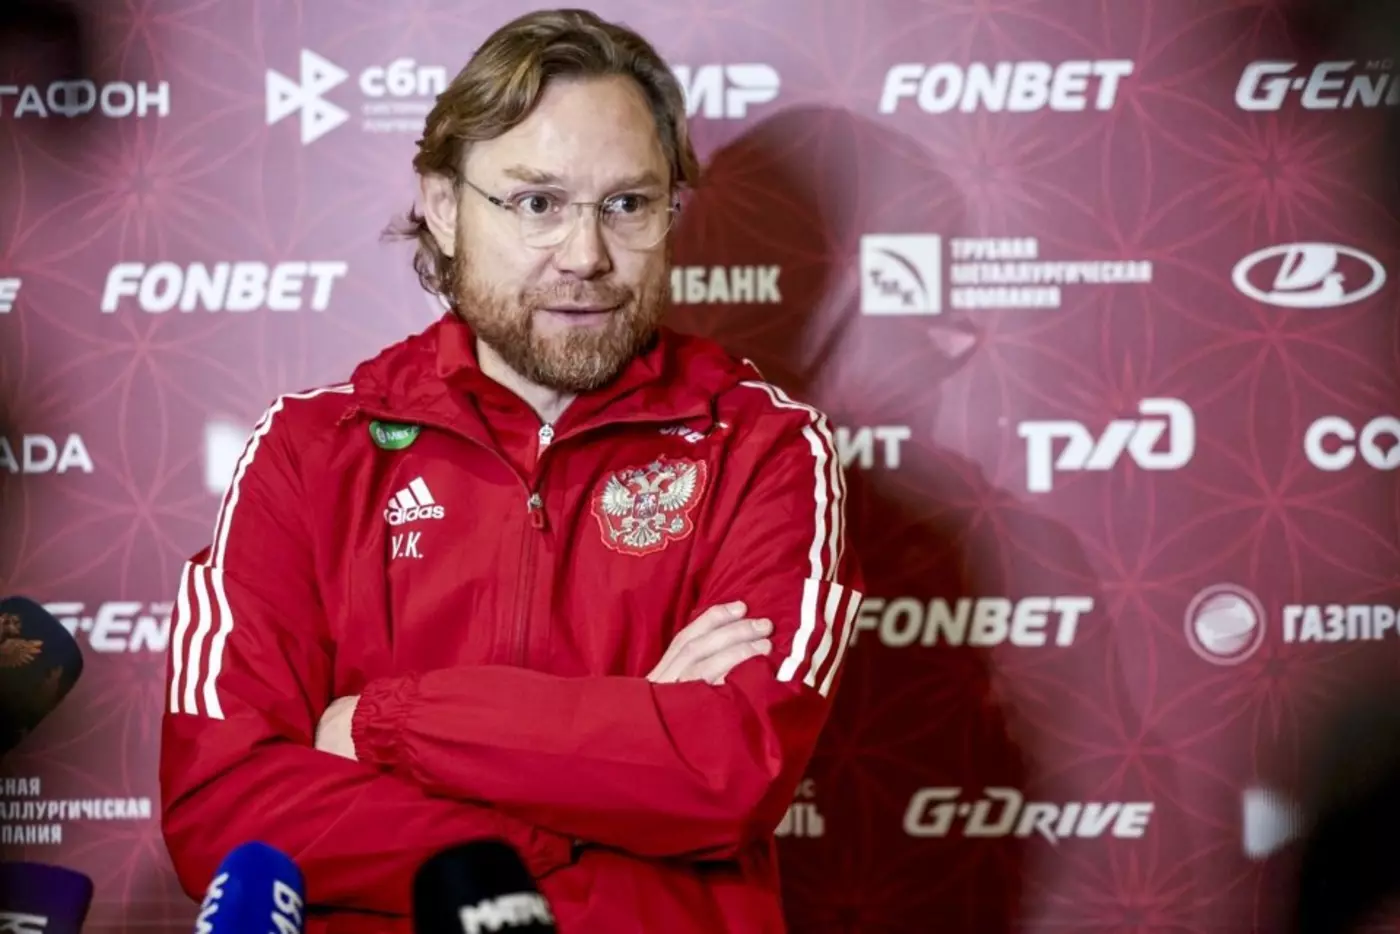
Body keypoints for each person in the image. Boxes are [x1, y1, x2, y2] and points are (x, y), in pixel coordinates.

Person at [158, 8, 862, 933]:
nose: (587, 255)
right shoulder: (310, 449)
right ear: (445, 208)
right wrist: (607, 781)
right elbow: (223, 807)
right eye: (537, 204)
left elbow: (733, 772)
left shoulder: (762, 447)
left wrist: (382, 725)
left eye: (628, 204)